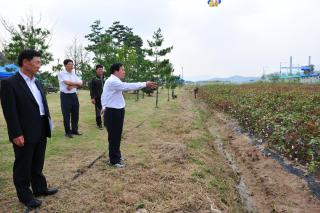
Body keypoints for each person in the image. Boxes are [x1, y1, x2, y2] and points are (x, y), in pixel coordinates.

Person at [0, 49, 58, 209]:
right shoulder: (9, 83)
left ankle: (39, 188)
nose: (39, 65)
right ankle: (25, 195)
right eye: (37, 62)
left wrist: (48, 123)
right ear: (25, 62)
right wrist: (16, 133)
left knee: (37, 161)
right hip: (24, 130)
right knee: (23, 164)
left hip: (40, 126)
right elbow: (9, 112)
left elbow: (41, 105)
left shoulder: (37, 82)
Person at [101, 63, 157, 168]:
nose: (124, 71)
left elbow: (104, 95)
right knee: (114, 136)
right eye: (122, 69)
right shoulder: (112, 81)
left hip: (116, 111)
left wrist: (104, 107)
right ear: (116, 71)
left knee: (116, 135)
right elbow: (127, 86)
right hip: (113, 112)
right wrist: (145, 84)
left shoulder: (114, 81)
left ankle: (116, 156)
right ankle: (114, 161)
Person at [58, 59, 83, 138]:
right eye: (70, 64)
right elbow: (66, 82)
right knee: (66, 114)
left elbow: (81, 82)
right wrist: (76, 84)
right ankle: (67, 132)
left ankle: (74, 130)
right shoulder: (61, 73)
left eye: (72, 64)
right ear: (65, 65)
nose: (72, 66)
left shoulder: (73, 73)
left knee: (75, 113)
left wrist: (72, 86)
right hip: (65, 96)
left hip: (73, 95)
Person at [89, 64, 105, 129]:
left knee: (105, 110)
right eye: (99, 70)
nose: (101, 71)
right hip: (97, 98)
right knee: (98, 111)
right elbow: (91, 89)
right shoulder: (94, 79)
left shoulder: (104, 78)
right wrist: (92, 98)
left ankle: (106, 122)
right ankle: (99, 124)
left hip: (105, 98)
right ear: (96, 70)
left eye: (101, 69)